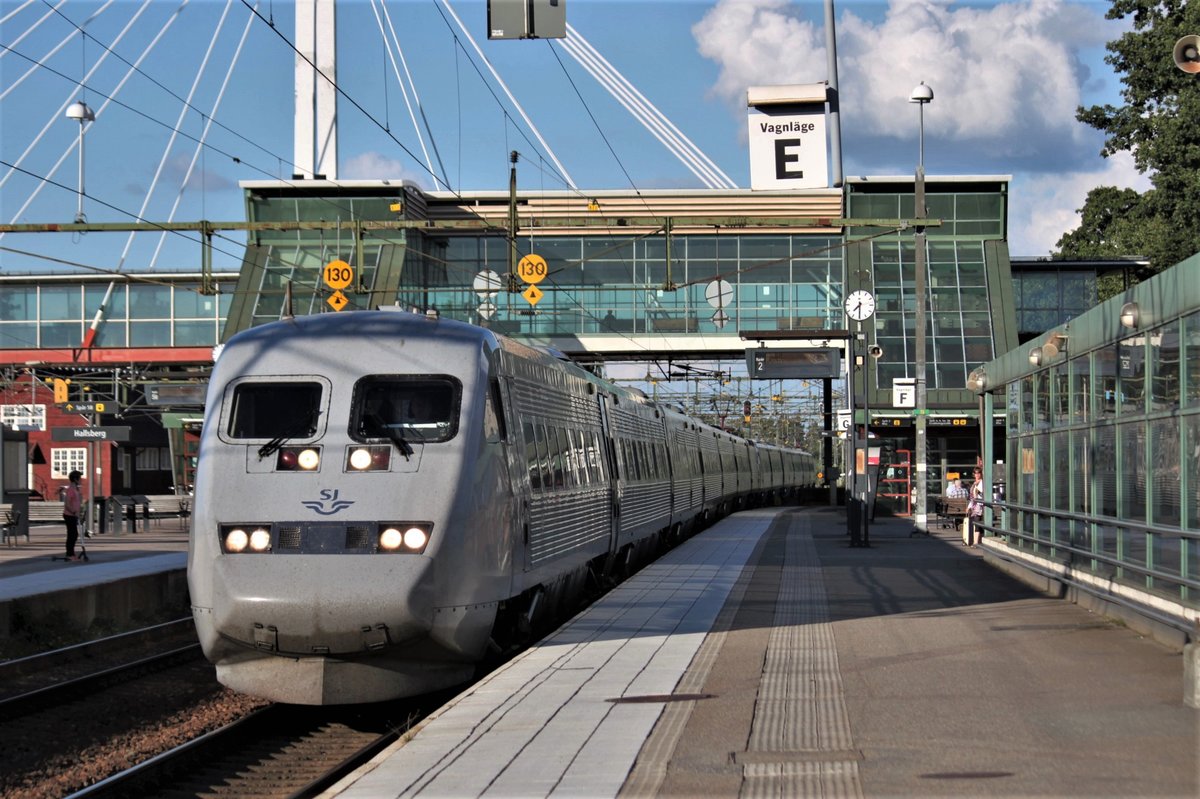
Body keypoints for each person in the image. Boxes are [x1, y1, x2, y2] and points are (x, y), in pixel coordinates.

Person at [63, 470, 83, 561]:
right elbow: (67, 504)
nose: (81, 480)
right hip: (69, 515)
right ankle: (69, 554)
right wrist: (73, 512)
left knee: (74, 534)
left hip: (74, 515)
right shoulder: (70, 490)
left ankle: (71, 553)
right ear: (75, 479)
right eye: (79, 478)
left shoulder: (76, 489)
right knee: (72, 534)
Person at [965, 467, 985, 546]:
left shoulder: (982, 483)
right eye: (976, 473)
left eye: (979, 473)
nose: (977, 475)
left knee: (977, 522)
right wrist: (969, 506)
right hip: (974, 505)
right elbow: (972, 496)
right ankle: (977, 541)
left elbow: (981, 494)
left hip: (980, 505)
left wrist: (979, 492)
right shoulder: (974, 483)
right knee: (976, 522)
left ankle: (976, 542)